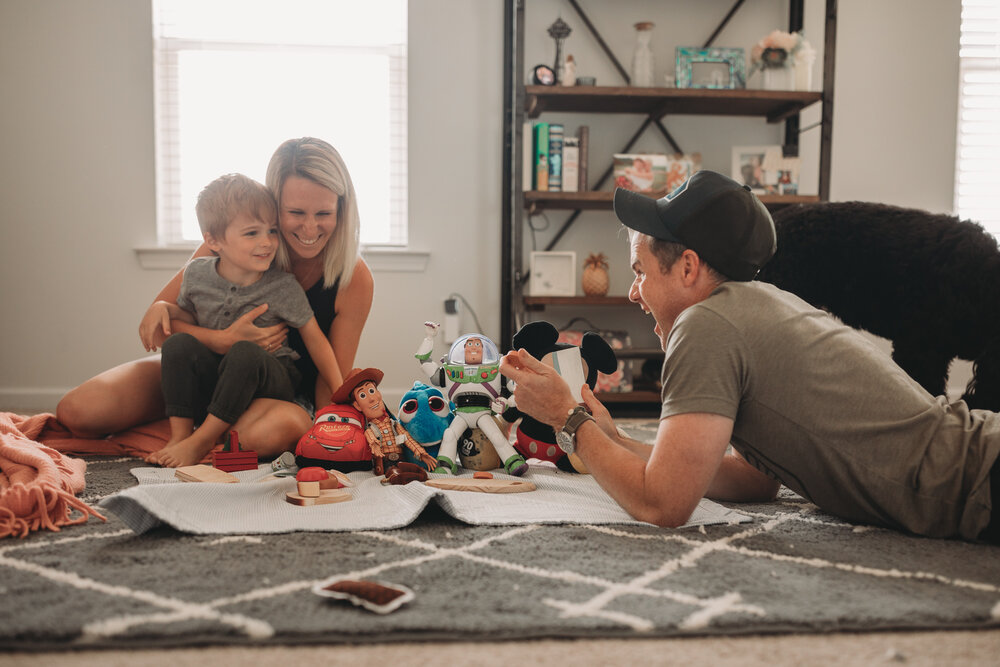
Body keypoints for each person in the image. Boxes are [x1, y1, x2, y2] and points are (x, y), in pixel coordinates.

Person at [499, 170, 1000, 543]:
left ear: (689, 267)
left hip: (982, 479)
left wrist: (567, 417)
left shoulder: (707, 325)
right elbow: (755, 481)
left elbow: (662, 503)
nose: (633, 292)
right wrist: (614, 438)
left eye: (639, 271)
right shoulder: (752, 308)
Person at [56, 138, 374, 459]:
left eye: (324, 213)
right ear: (273, 205)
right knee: (79, 412)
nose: (310, 227)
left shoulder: (353, 277)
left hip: (278, 396)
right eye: (294, 212)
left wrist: (333, 426)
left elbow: (327, 375)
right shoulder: (228, 245)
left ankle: (203, 435)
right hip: (203, 370)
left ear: (342, 210)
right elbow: (164, 324)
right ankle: (183, 426)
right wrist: (221, 340)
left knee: (249, 437)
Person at [147, 174, 344, 467]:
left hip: (272, 375)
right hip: (221, 373)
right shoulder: (197, 274)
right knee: (178, 343)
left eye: (272, 231)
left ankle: (201, 442)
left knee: (244, 352)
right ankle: (180, 436)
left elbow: (316, 339)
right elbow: (189, 319)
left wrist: (342, 396)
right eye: (252, 233)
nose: (266, 243)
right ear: (213, 241)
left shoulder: (282, 286)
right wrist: (165, 307)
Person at [331, 367, 437, 476]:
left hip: (401, 459)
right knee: (394, 474)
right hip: (384, 463)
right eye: (362, 395)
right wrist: (374, 446)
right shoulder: (369, 429)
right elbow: (371, 439)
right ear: (357, 405)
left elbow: (406, 438)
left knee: (413, 471)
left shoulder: (393, 424)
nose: (371, 399)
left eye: (371, 391)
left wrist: (421, 453)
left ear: (379, 393)